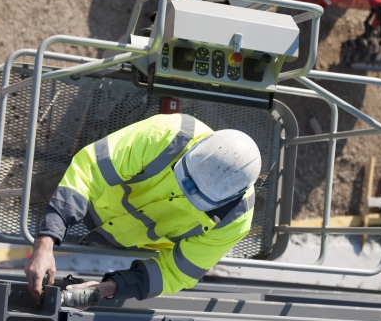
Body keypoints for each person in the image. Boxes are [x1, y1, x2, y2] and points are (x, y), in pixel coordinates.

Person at [24, 112, 261, 307]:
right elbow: (90, 170)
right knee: (45, 190)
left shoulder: (233, 221)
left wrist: (107, 288)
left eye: (197, 198)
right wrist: (45, 242)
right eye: (184, 180)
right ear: (193, 150)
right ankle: (28, 197)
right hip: (92, 200)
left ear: (227, 200)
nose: (187, 193)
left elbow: (175, 272)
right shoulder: (168, 135)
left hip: (122, 241)